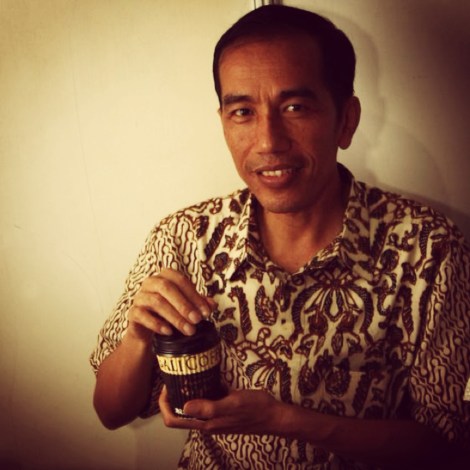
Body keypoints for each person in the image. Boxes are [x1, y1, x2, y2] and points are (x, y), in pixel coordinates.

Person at [90, 5, 470, 469]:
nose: (268, 141)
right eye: (243, 112)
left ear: (346, 120)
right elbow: (110, 411)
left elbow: (447, 444)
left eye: (295, 108)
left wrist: (284, 420)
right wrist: (136, 338)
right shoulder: (185, 237)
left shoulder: (429, 249)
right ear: (223, 122)